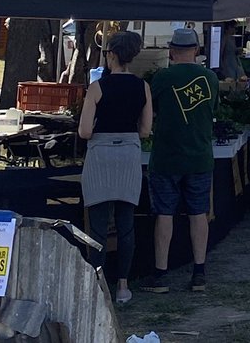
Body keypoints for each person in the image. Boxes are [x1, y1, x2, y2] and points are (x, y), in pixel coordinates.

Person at [141, 28, 218, 295]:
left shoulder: (162, 78)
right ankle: (200, 272)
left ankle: (160, 274)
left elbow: (151, 112)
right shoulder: (211, 78)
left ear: (171, 51)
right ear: (196, 50)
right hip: (199, 156)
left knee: (164, 214)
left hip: (166, 157)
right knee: (199, 214)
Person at [78, 30, 151, 304]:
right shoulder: (142, 87)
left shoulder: (98, 87)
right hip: (129, 153)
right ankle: (123, 285)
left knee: (97, 225)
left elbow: (84, 131)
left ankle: (99, 283)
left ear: (111, 55)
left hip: (101, 154)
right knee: (126, 224)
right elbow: (145, 130)